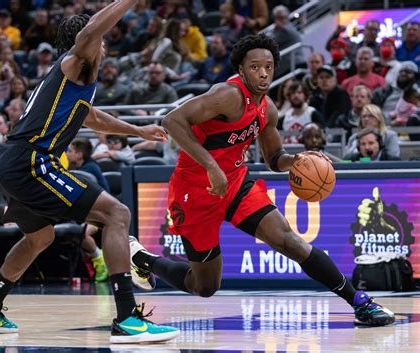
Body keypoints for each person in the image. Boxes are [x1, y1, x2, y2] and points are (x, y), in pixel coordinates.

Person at [128, 33, 395, 327]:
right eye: (255, 67)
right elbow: (172, 121)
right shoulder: (226, 96)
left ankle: (359, 303)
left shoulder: (268, 108)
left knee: (291, 242)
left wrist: (295, 161)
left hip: (237, 184)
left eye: (268, 66)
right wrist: (211, 166)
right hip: (197, 190)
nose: (263, 73)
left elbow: (274, 157)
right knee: (204, 286)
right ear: (241, 69)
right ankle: (144, 259)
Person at [0, 1, 179, 344]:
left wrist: (138, 131)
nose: (103, 46)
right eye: (99, 41)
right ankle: (127, 318)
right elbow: (92, 31)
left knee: (40, 237)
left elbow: (91, 117)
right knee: (116, 213)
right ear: (87, 41)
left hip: (8, 161)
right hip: (30, 160)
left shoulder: (67, 81)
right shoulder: (77, 60)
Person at [67, 137, 110, 282]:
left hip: (103, 213)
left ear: (79, 154)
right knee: (72, 232)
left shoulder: (89, 169)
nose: (67, 154)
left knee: (82, 234)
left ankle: (100, 260)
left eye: (70, 151)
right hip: (88, 212)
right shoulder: (76, 169)